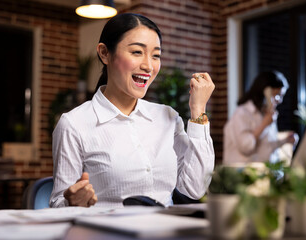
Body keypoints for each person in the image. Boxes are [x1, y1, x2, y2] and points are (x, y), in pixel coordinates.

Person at [50, 13, 215, 208]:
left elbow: (194, 188)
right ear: (104, 53)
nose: (148, 65)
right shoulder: (74, 124)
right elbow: (58, 203)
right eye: (137, 52)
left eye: (156, 55)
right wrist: (72, 203)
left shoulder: (168, 117)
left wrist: (198, 111)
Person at [223, 71, 297, 165]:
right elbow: (246, 147)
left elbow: (266, 147)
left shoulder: (266, 115)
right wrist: (264, 125)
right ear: (266, 92)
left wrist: (285, 141)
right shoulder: (242, 113)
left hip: (266, 173)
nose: (280, 101)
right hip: (244, 175)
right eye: (277, 95)